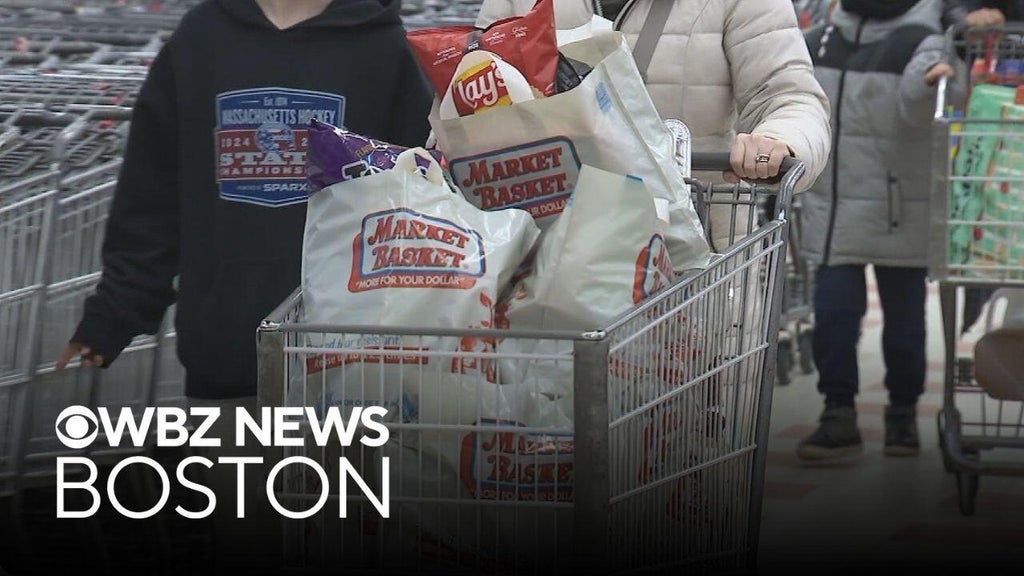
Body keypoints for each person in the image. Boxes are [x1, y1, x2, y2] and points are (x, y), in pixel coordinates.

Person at [54, 0, 433, 571]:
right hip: (227, 360)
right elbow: (152, 195)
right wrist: (114, 313)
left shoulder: (383, 50)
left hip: (354, 370)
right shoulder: (202, 40)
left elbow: (423, 200)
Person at [475, 0, 833, 218]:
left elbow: (790, 95)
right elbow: (467, 95)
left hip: (691, 265)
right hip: (546, 259)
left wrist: (778, 141)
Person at [795, 0, 964, 461]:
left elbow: (921, 110)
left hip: (899, 210)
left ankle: (902, 414)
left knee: (905, 326)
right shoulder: (821, 40)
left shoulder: (926, 39)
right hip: (832, 210)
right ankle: (839, 414)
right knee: (833, 315)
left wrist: (935, 82)